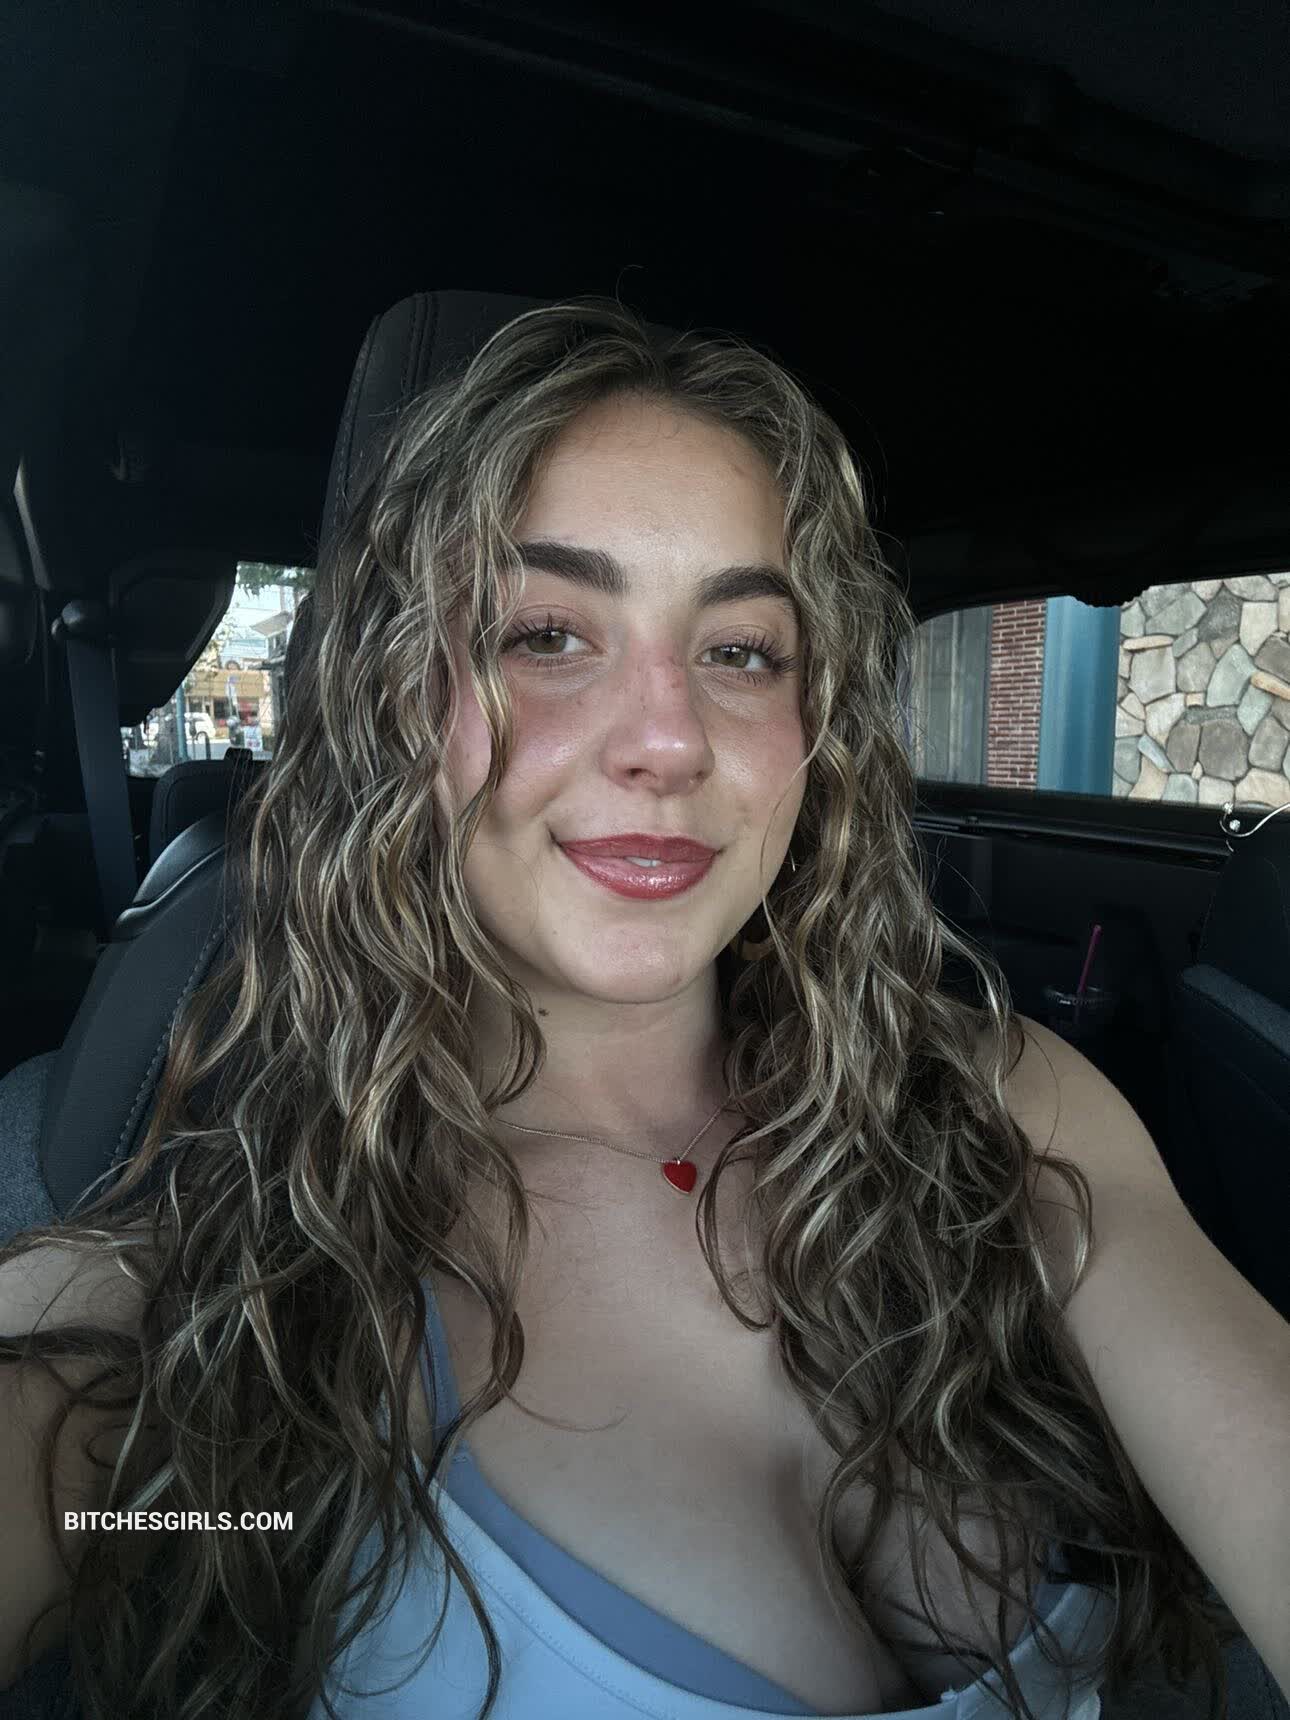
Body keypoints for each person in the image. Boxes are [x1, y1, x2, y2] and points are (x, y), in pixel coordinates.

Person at [0, 299, 1248, 1720]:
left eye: (741, 652)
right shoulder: (224, 1276)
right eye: (545, 633)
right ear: (399, 699)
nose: (669, 739)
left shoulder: (1003, 1100)